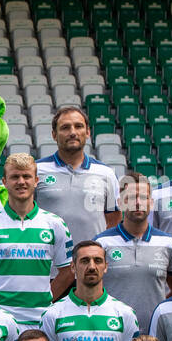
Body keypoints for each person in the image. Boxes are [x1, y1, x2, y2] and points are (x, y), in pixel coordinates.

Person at [0, 154, 74, 329]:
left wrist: (46, 302)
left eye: (26, 176)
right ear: (4, 181)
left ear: (36, 181)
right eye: (14, 177)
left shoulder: (55, 224)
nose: (21, 182)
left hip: (40, 322)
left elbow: (68, 271)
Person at [96, 171, 172, 332]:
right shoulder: (102, 243)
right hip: (111, 333)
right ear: (120, 203)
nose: (138, 203)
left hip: (154, 337)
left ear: (151, 202)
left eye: (143, 197)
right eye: (131, 198)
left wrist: (157, 310)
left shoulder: (168, 244)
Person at [35, 105, 121, 247]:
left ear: (87, 132)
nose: (73, 132)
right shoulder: (37, 170)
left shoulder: (106, 173)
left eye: (78, 126)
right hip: (48, 261)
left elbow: (114, 218)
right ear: (54, 135)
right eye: (65, 128)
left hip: (90, 264)